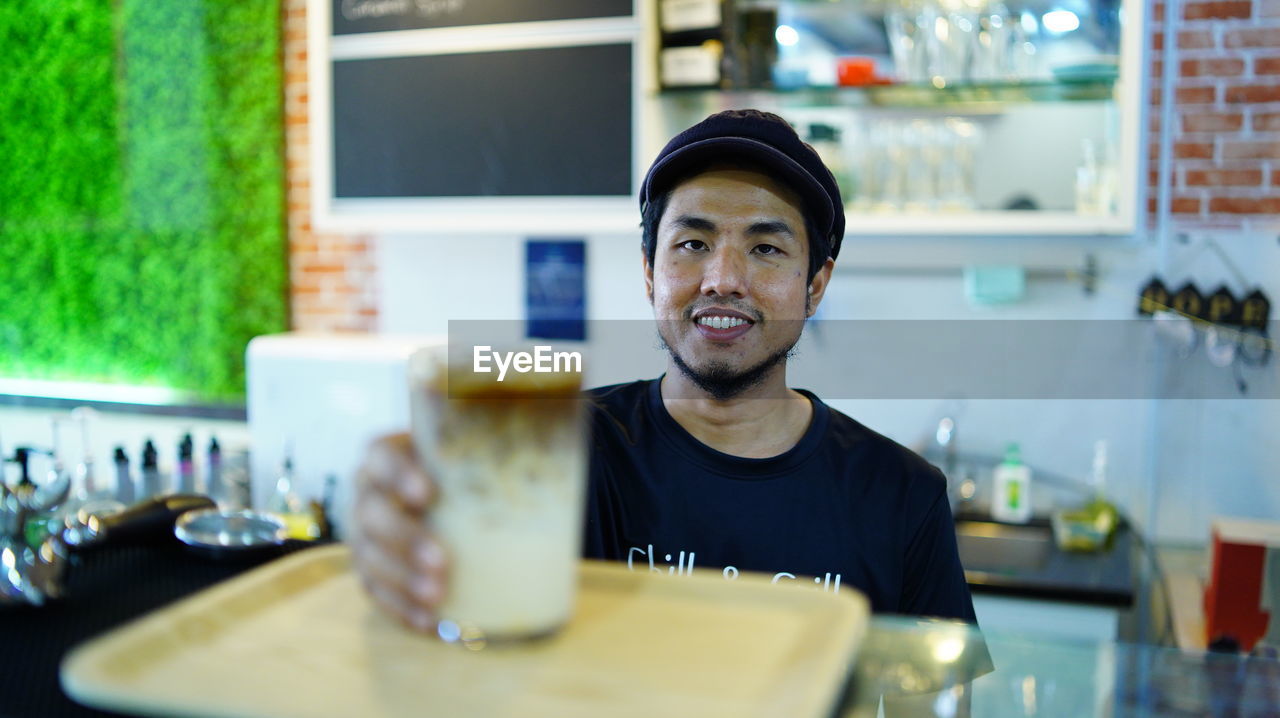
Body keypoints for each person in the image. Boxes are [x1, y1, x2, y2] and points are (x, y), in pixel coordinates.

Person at [352, 109, 976, 634]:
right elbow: (458, 635)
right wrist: (408, 545)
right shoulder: (555, 450)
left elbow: (938, 703)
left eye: (765, 248)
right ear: (650, 273)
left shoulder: (901, 496)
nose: (723, 280)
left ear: (816, 283)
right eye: (693, 243)